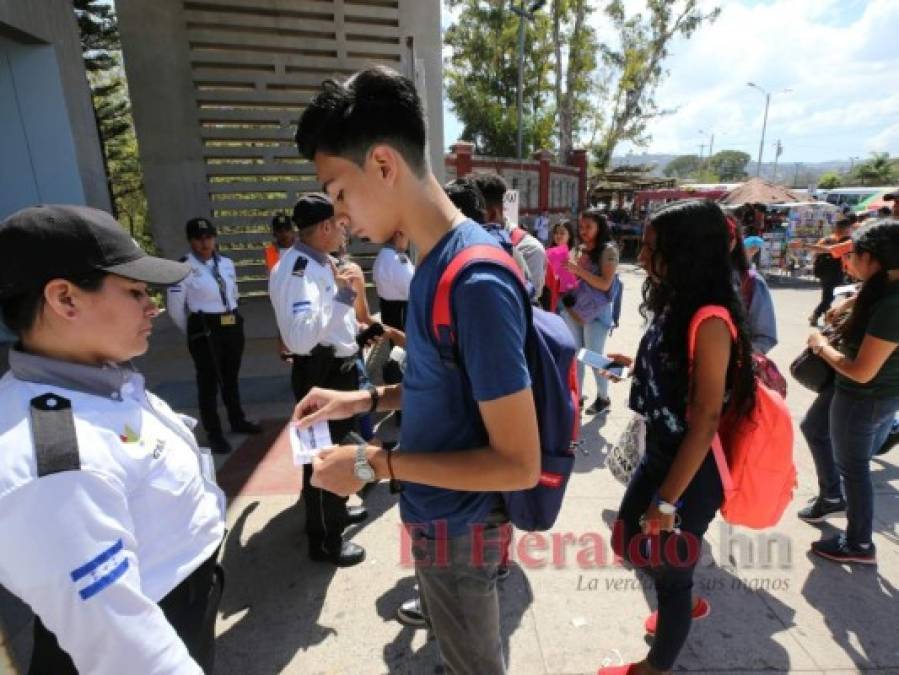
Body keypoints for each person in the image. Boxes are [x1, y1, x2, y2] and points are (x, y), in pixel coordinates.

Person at [293, 66, 541, 674]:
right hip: (438, 516)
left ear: (382, 164)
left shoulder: (475, 278)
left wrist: (372, 464)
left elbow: (519, 461)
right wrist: (363, 401)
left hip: (462, 527)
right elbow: (446, 387)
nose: (340, 214)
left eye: (339, 191)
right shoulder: (432, 261)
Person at [0, 205, 226, 674]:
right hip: (157, 625)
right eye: (135, 291)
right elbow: (125, 648)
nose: (154, 306)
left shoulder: (94, 375)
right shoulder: (53, 460)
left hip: (181, 598)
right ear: (65, 299)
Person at [597, 200, 757, 675]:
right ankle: (678, 597)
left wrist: (666, 503)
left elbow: (705, 419)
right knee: (627, 540)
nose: (641, 257)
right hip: (659, 452)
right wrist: (639, 367)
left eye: (651, 249)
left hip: (689, 470)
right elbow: (676, 373)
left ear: (685, 253)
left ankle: (658, 663)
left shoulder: (709, 319)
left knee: (669, 573)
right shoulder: (675, 298)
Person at [268, 194, 369, 567]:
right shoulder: (295, 271)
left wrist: (356, 335)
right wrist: (344, 297)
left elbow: (330, 321)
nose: (344, 231)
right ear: (325, 226)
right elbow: (300, 339)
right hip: (320, 371)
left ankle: (336, 510)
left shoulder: (321, 262)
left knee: (335, 451)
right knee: (323, 457)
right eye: (340, 225)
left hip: (338, 367)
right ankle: (325, 538)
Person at [804, 219, 899, 564]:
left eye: (854, 254)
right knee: (813, 427)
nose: (848, 262)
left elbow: (861, 371)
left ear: (873, 258)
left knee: (854, 467)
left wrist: (819, 345)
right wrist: (847, 306)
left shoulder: (893, 305)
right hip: (855, 393)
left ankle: (859, 543)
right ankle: (831, 497)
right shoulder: (882, 287)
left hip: (864, 396)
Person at [166, 217, 261, 454]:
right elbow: (175, 308)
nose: (204, 243)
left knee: (231, 376)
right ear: (190, 241)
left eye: (208, 237)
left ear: (214, 238)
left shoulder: (227, 263)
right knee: (208, 383)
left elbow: (233, 292)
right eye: (198, 239)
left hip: (230, 323)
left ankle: (237, 420)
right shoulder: (183, 268)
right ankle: (214, 433)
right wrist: (192, 330)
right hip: (205, 327)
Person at [561, 209, 621, 415]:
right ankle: (576, 396)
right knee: (577, 355)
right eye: (581, 226)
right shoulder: (581, 248)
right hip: (577, 309)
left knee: (592, 357)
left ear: (600, 227)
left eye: (589, 227)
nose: (583, 231)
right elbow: (577, 280)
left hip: (597, 312)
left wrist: (578, 271)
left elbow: (605, 284)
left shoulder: (608, 251)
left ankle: (604, 397)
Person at [474, 172, 547, 299]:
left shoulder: (529, 249)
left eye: (470, 216)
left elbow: (529, 303)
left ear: (491, 214)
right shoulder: (469, 242)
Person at [728, 218, 778, 353]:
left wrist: (735, 359)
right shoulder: (682, 280)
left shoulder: (751, 281)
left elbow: (765, 337)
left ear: (732, 243)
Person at [807, 218, 852, 326]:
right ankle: (818, 315)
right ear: (847, 229)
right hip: (837, 272)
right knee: (830, 297)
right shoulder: (846, 241)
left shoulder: (827, 239)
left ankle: (824, 316)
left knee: (828, 296)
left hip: (824, 272)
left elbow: (815, 254)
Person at [373, 229, 415, 330]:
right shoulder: (394, 258)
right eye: (407, 236)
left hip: (388, 309)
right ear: (398, 235)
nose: (408, 241)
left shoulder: (385, 255)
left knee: (395, 343)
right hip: (401, 313)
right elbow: (410, 285)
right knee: (403, 344)